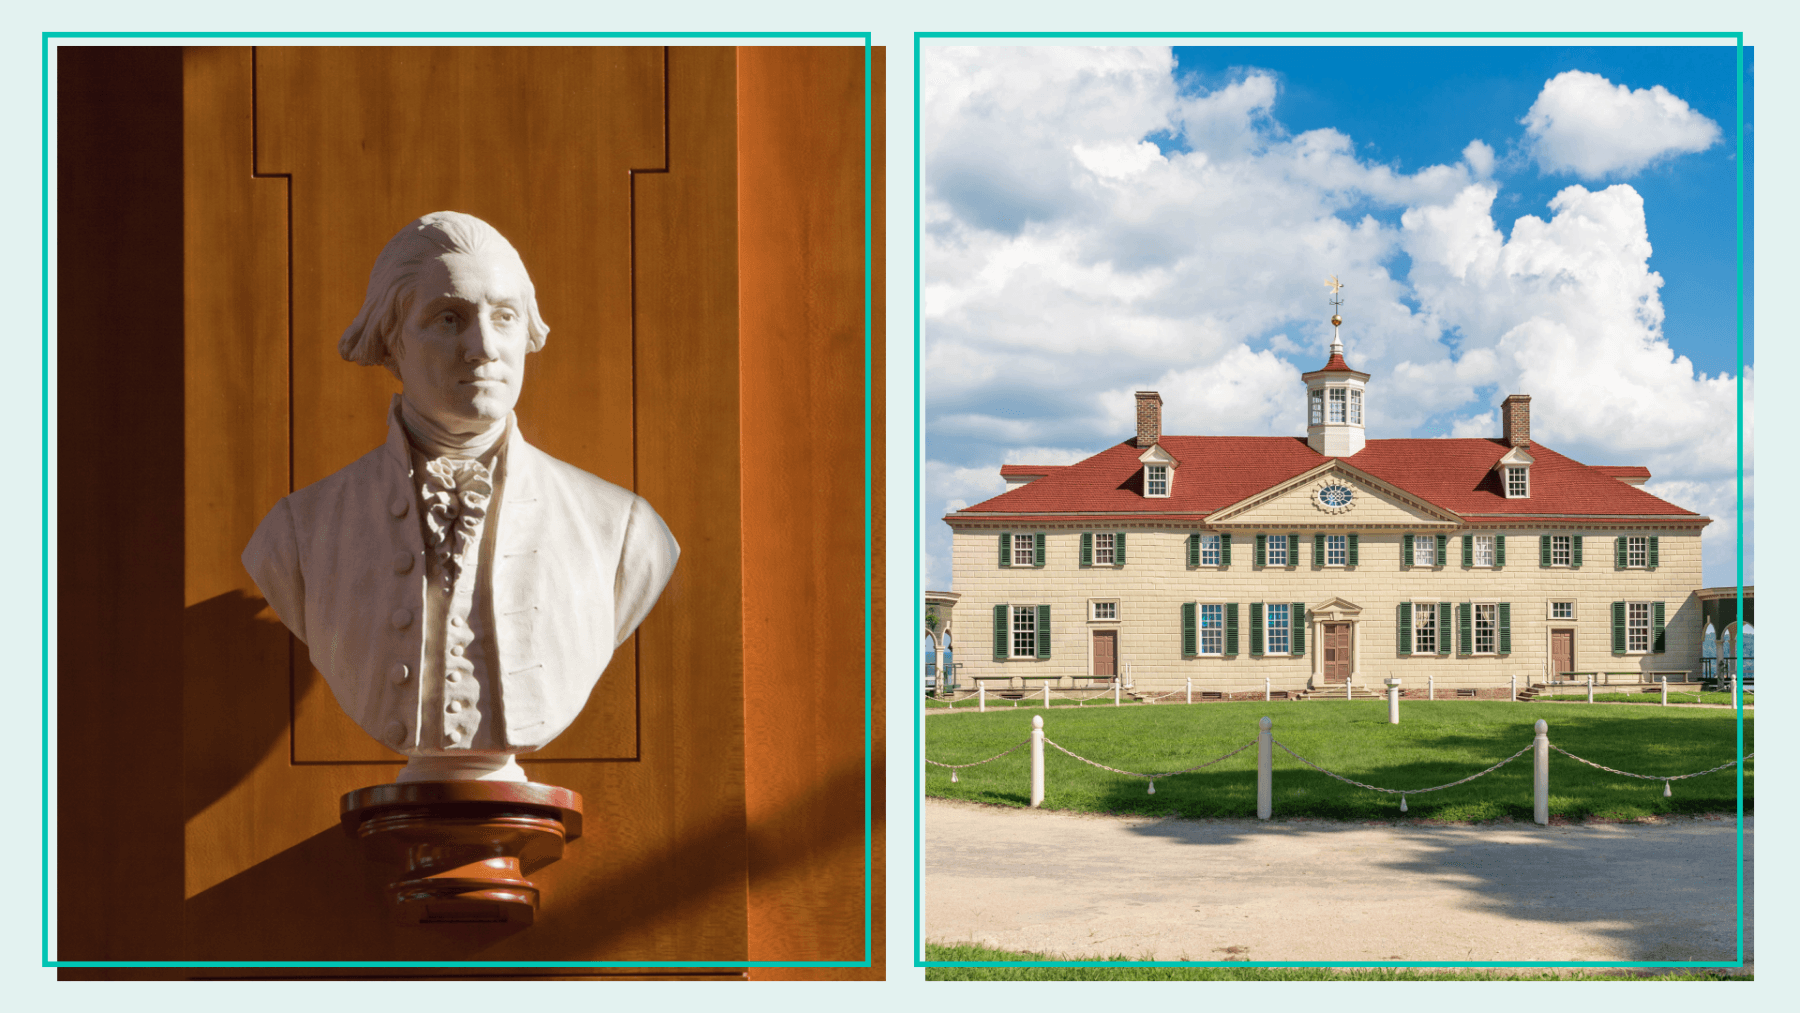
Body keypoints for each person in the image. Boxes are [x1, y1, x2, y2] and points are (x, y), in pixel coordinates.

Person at [243, 211, 679, 783]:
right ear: (392, 340)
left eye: (504, 317)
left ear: (527, 333)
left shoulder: (623, 529)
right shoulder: (298, 534)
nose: (482, 348)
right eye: (449, 318)